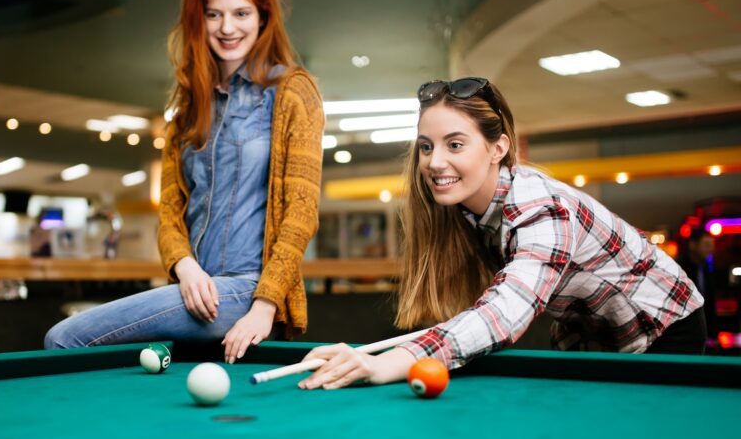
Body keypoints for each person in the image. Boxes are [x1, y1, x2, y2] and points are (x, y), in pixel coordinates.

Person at [298, 77, 705, 389]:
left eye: (455, 145)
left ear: (498, 149)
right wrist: (374, 354)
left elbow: (505, 311)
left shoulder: (541, 208)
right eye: (426, 146)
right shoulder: (463, 211)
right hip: (590, 334)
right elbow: (470, 312)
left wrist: (385, 363)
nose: (434, 161)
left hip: (664, 330)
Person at [44, 0, 325, 361]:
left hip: (248, 291)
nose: (227, 27)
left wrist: (265, 306)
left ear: (263, 17)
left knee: (65, 338)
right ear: (200, 21)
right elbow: (170, 215)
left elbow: (301, 213)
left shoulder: (293, 92)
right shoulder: (189, 108)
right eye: (214, 15)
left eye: (241, 13)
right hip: (195, 288)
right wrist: (185, 268)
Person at [678, 228, 717, 346]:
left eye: (711, 245)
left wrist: (713, 334)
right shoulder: (680, 269)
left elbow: (710, 304)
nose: (710, 249)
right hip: (685, 332)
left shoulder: (707, 269)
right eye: (706, 244)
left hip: (706, 332)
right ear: (692, 245)